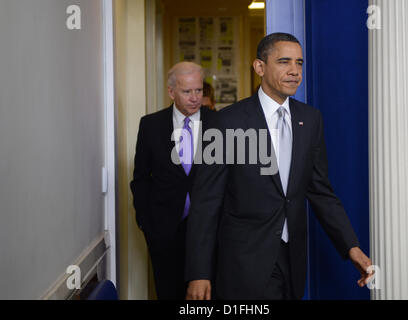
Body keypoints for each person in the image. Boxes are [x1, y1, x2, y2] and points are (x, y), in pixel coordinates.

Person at [184, 33, 372, 300]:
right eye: (284, 62)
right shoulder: (226, 123)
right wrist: (198, 272)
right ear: (260, 67)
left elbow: (320, 191)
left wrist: (352, 247)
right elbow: (205, 202)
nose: (295, 71)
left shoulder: (311, 119)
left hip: (292, 259)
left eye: (299, 63)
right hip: (243, 262)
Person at [130, 62, 214, 300]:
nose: (195, 98)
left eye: (199, 90)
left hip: (209, 235)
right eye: (187, 92)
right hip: (165, 232)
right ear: (171, 92)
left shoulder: (219, 123)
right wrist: (147, 223)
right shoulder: (151, 125)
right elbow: (141, 179)